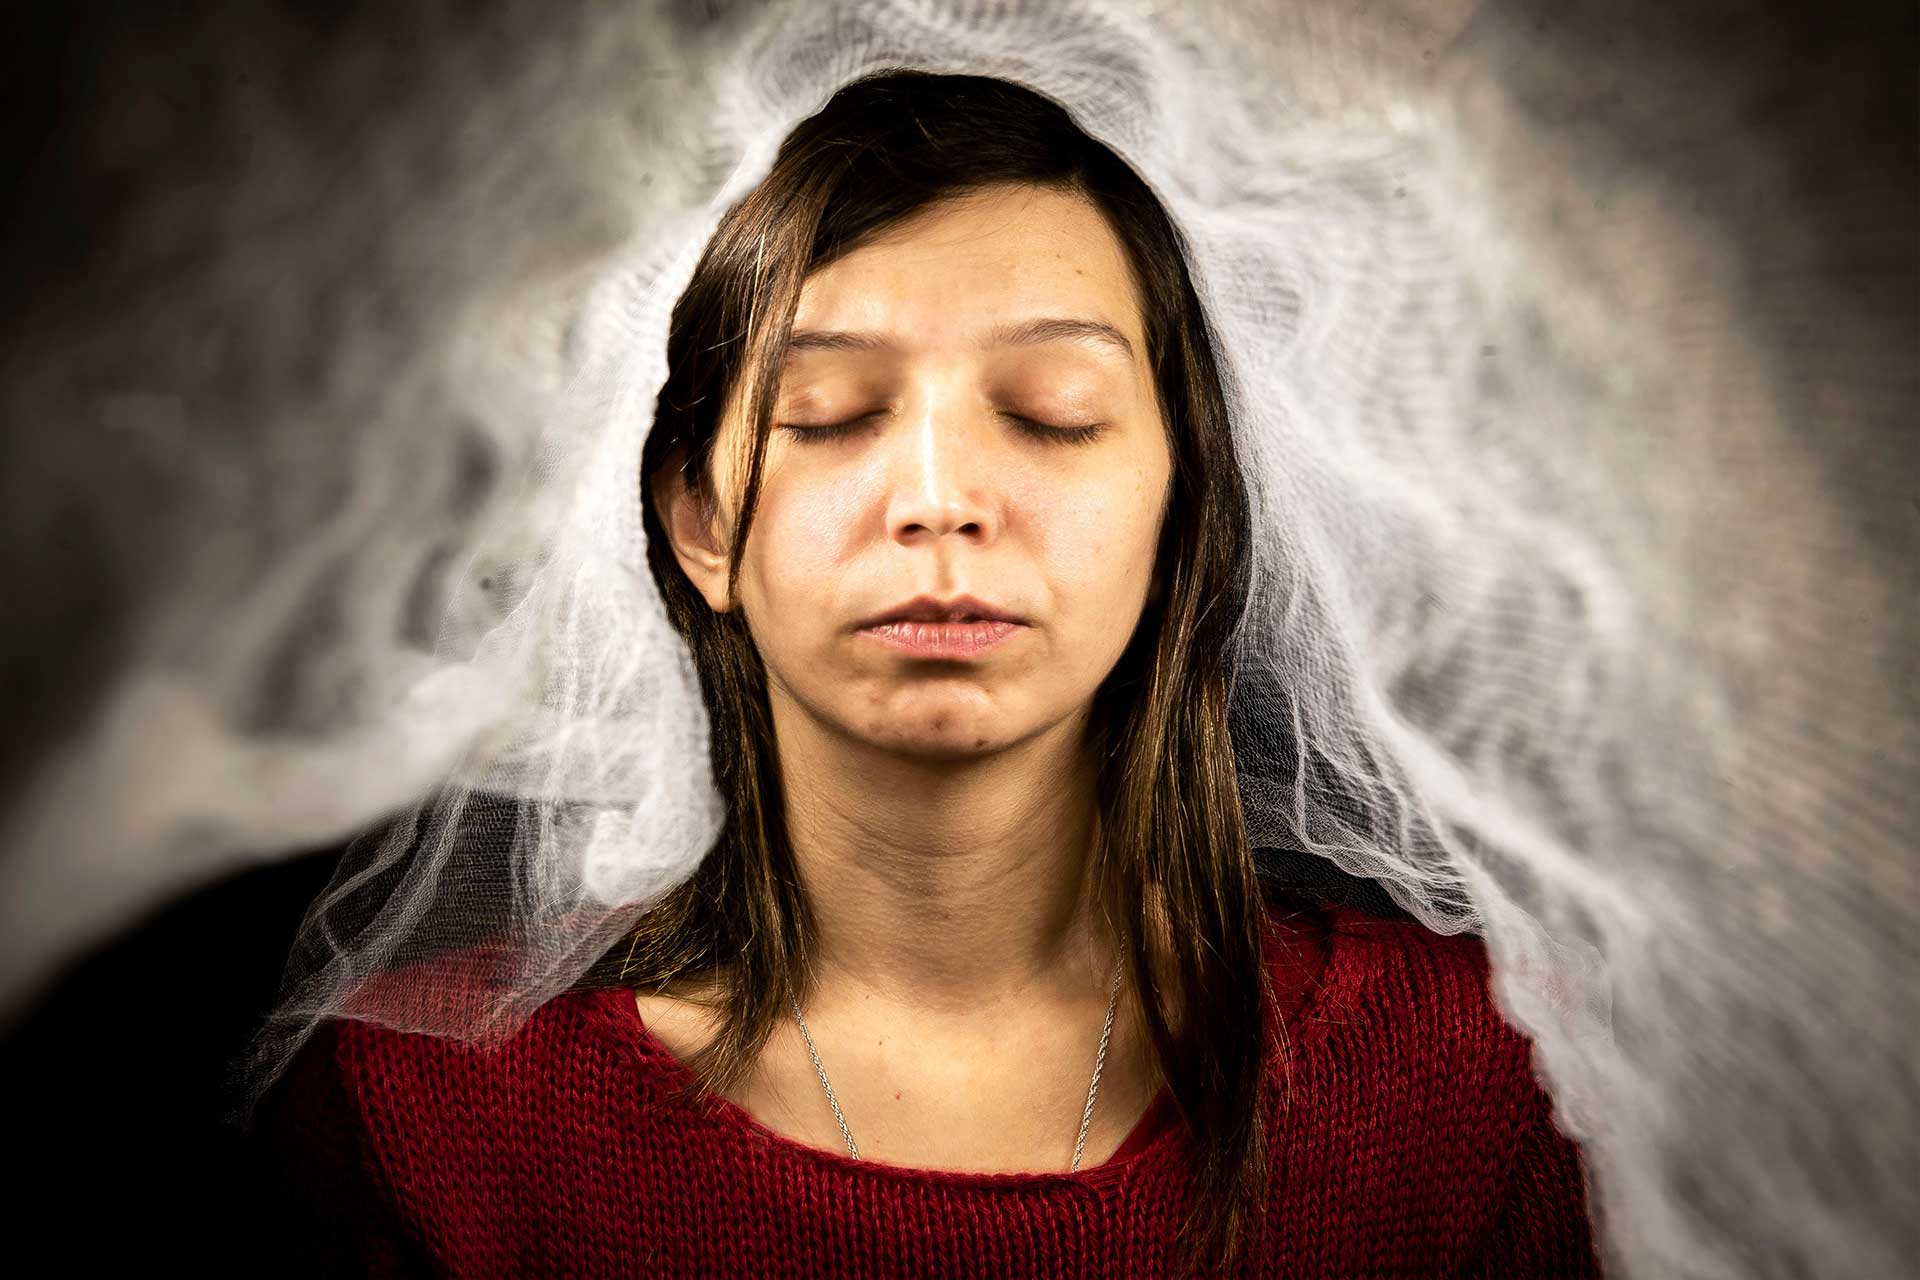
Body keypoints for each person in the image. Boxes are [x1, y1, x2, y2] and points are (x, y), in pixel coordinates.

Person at [256, 70, 1602, 1278]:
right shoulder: (426, 1107)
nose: (941, 498)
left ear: (1182, 510)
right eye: (829, 417)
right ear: (702, 524)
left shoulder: (1466, 1083)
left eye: (1052, 414)